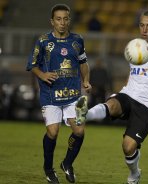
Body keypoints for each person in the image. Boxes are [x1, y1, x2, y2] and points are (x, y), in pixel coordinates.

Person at [75, 10, 148, 184]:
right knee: (112, 104)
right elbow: (134, 72)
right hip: (129, 94)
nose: (144, 29)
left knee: (128, 147)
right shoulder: (134, 46)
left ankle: (134, 174)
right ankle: (84, 114)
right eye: (142, 25)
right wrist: (126, 87)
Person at [26, 4, 91, 184]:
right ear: (52, 21)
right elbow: (32, 65)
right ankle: (48, 169)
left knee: (80, 131)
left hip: (75, 95)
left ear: (69, 20)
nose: (62, 22)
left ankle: (67, 164)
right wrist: (43, 75)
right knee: (53, 133)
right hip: (50, 95)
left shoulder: (78, 40)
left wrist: (86, 80)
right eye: (58, 19)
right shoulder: (43, 41)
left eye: (65, 19)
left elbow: (84, 62)